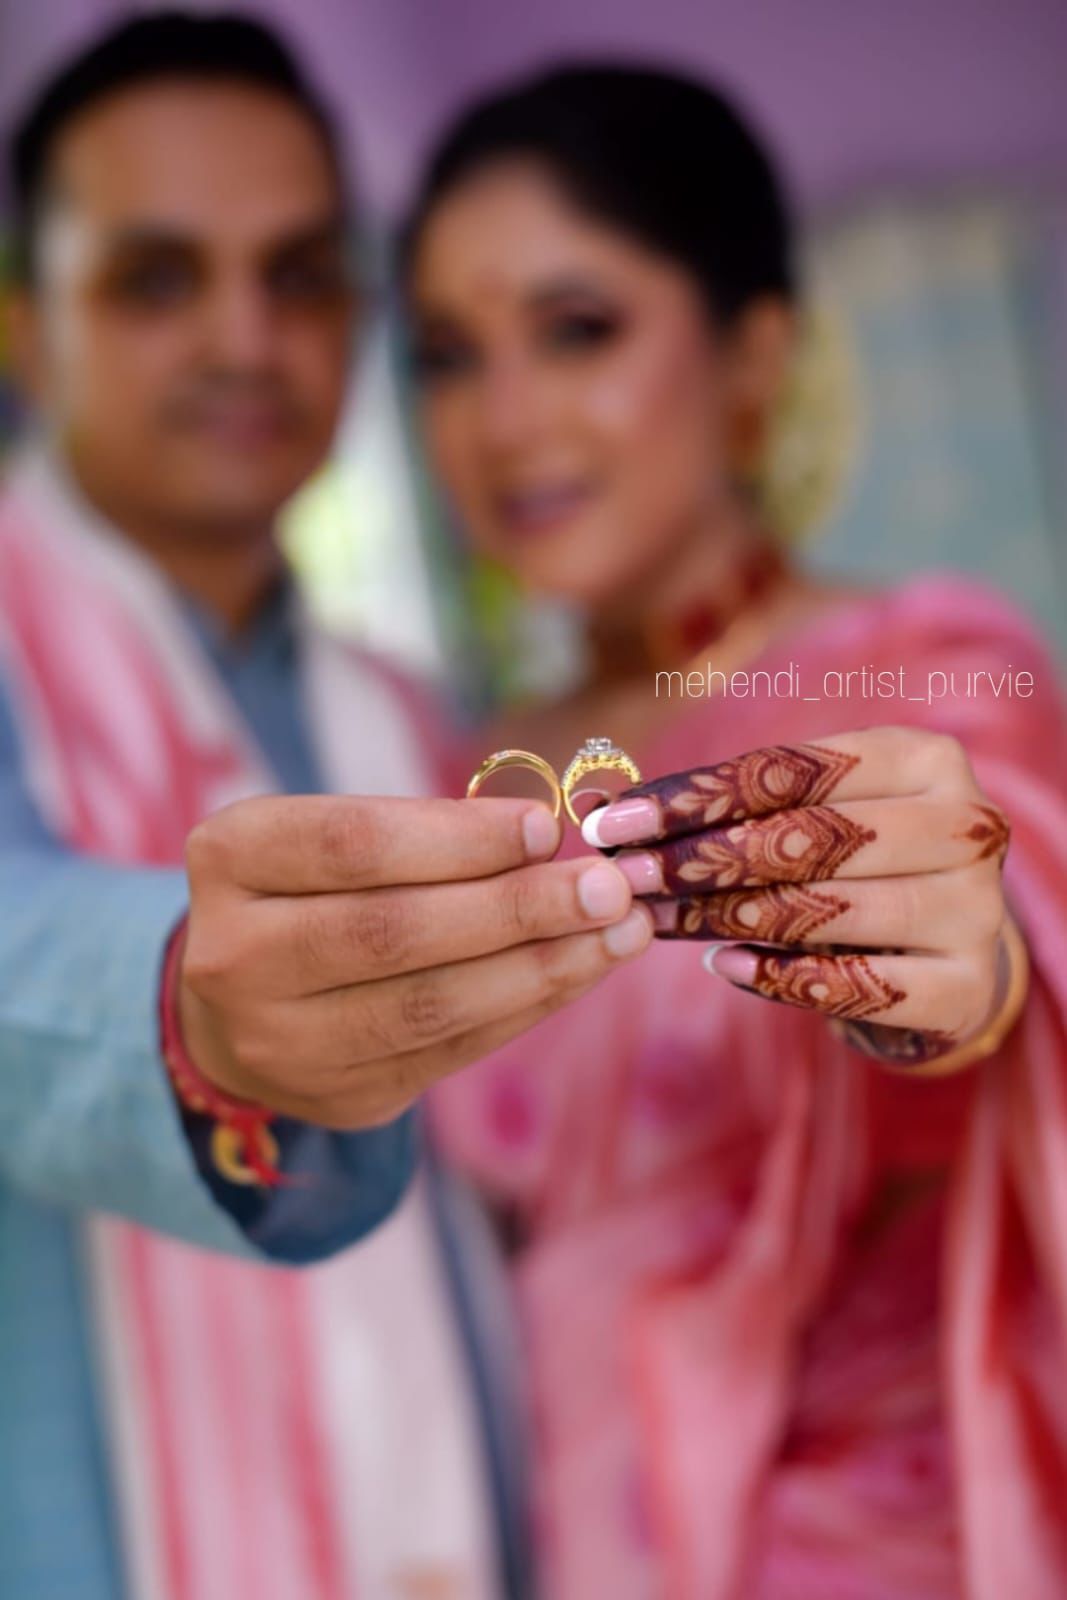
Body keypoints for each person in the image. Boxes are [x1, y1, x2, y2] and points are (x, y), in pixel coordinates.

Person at [0, 18, 654, 1599]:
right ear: (25, 327)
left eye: (300, 275)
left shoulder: (412, 715)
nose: (247, 338)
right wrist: (193, 1014)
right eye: (157, 279)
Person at [403, 63, 1067, 1599]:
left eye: (577, 331)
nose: (505, 423)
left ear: (752, 353)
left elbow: (990, 908)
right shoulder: (458, 775)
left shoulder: (922, 671)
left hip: (883, 1545)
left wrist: (949, 979)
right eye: (447, 356)